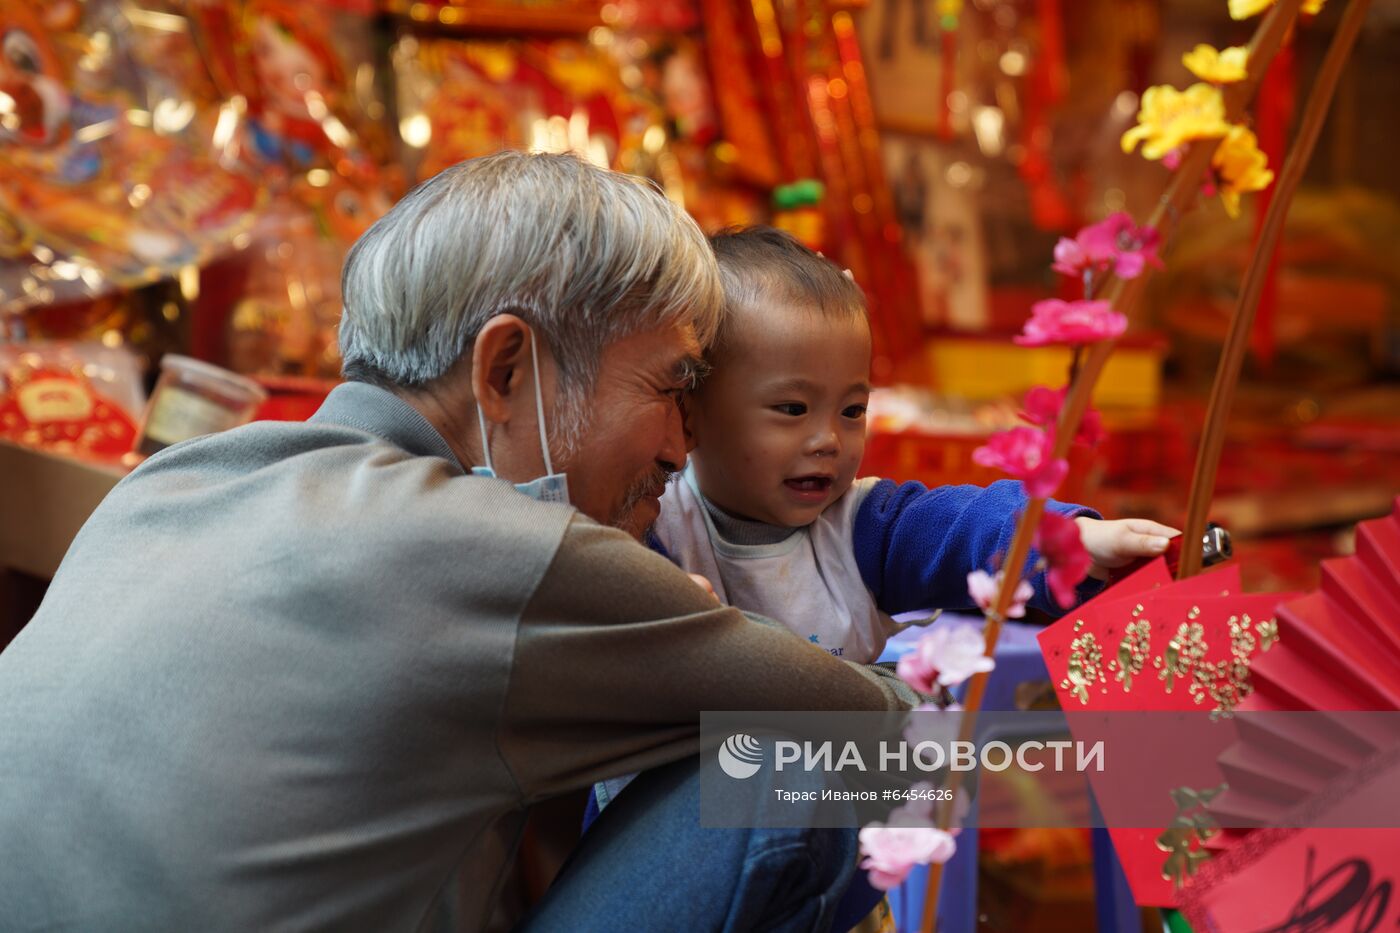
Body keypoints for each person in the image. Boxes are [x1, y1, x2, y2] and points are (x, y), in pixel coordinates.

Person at [0, 153, 922, 933]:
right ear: (507, 369)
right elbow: (892, 738)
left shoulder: (174, 480)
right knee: (796, 769)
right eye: (669, 389)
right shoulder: (494, 549)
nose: (682, 450)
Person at [650, 226, 1180, 665]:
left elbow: (964, 526)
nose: (828, 440)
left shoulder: (860, 529)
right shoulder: (656, 525)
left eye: (852, 411)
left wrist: (1071, 539)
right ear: (689, 415)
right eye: (792, 409)